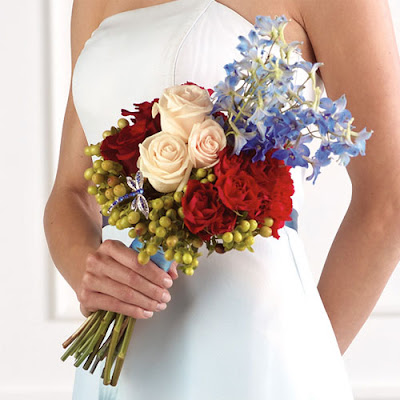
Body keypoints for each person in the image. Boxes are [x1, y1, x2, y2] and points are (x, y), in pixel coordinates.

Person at [43, 0, 400, 399]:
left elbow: (390, 200)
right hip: (122, 360)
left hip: (253, 348)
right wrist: (87, 270)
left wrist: (306, 362)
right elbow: (71, 191)